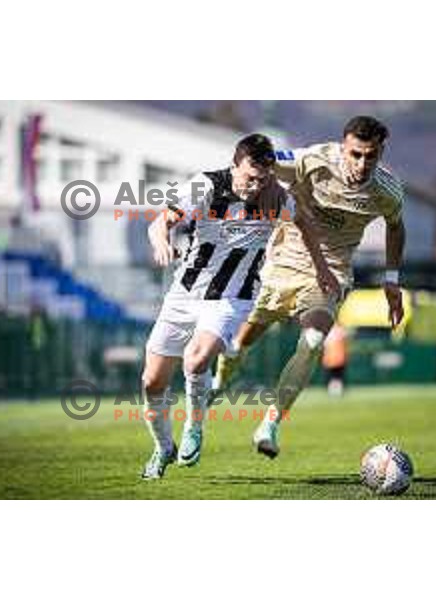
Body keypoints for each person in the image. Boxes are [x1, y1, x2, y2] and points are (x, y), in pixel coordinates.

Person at [140, 133, 333, 479]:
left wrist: (321, 268)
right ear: (234, 166)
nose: (253, 186)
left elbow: (305, 224)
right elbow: (160, 222)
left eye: (262, 178)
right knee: (152, 382)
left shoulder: (276, 197)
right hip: (184, 293)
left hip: (234, 296)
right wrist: (161, 243)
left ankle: (194, 428)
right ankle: (162, 447)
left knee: (197, 358)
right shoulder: (206, 187)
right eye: (248, 177)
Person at [214, 116, 406, 459]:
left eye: (370, 156)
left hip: (329, 273)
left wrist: (391, 280)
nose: (362, 163)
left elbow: (395, 226)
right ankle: (221, 377)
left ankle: (269, 424)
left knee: (314, 340)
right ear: (342, 146)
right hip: (279, 264)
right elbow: (262, 162)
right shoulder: (311, 160)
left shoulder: (386, 191)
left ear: (381, 152)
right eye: (355, 154)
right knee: (240, 344)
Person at [322, 323, 348, 397]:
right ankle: (335, 390)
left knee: (335, 376)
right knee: (336, 376)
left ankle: (335, 390)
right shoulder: (340, 331)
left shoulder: (330, 332)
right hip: (335, 358)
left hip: (334, 358)